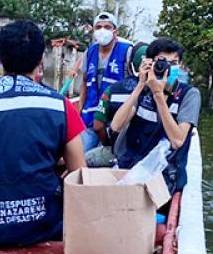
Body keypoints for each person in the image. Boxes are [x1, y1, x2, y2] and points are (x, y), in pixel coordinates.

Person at [0, 20, 86, 247]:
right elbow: (79, 174)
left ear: (0, 57)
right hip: (40, 225)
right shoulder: (61, 105)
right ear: (41, 59)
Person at [110, 38, 201, 193]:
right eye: (162, 62)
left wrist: (158, 94)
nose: (168, 68)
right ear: (150, 64)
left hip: (165, 175)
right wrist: (140, 85)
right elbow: (116, 126)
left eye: (174, 63)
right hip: (133, 167)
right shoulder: (143, 91)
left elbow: (178, 140)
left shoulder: (189, 95)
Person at [86, 42, 148, 167]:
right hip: (145, 153)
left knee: (82, 160)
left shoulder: (112, 90)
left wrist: (108, 144)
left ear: (129, 64)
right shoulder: (158, 92)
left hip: (115, 151)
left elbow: (98, 126)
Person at [77, 11, 133, 152]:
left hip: (115, 119)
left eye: (107, 27)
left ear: (115, 31)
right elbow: (84, 82)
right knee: (81, 156)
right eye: (98, 27)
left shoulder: (127, 52)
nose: (102, 30)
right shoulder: (90, 52)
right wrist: (79, 110)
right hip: (90, 117)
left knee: (112, 159)